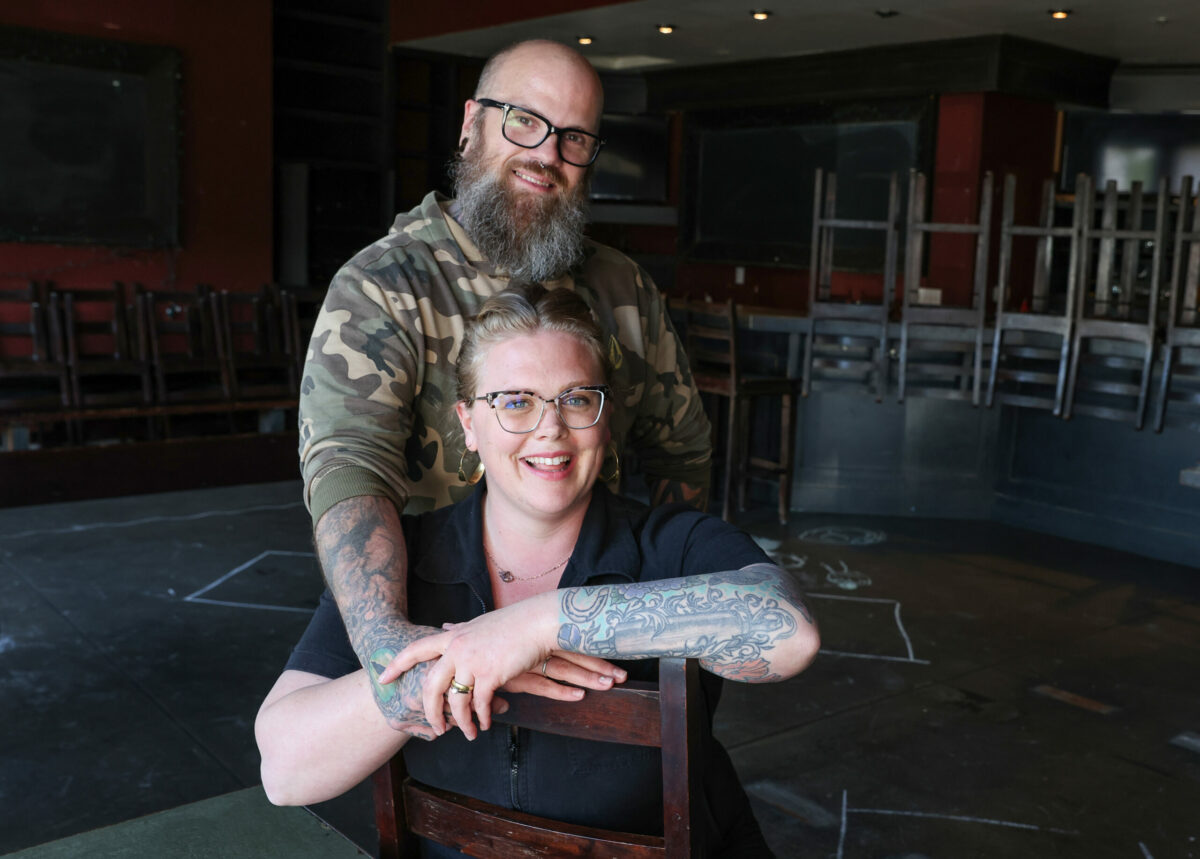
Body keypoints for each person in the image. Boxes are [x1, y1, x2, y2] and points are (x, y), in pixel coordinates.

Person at [260, 285, 819, 857]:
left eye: (576, 399)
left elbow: (790, 634)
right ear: (469, 425)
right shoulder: (404, 558)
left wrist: (535, 624)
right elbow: (284, 771)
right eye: (515, 401)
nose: (550, 427)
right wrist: (439, 674)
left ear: (604, 418)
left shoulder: (668, 544)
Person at [297, 38, 713, 727]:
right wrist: (388, 651)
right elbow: (349, 466)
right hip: (435, 636)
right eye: (524, 120)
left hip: (586, 641)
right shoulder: (384, 285)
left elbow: (682, 448)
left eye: (575, 138)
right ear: (470, 123)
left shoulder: (620, 286)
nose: (548, 154)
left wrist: (654, 624)